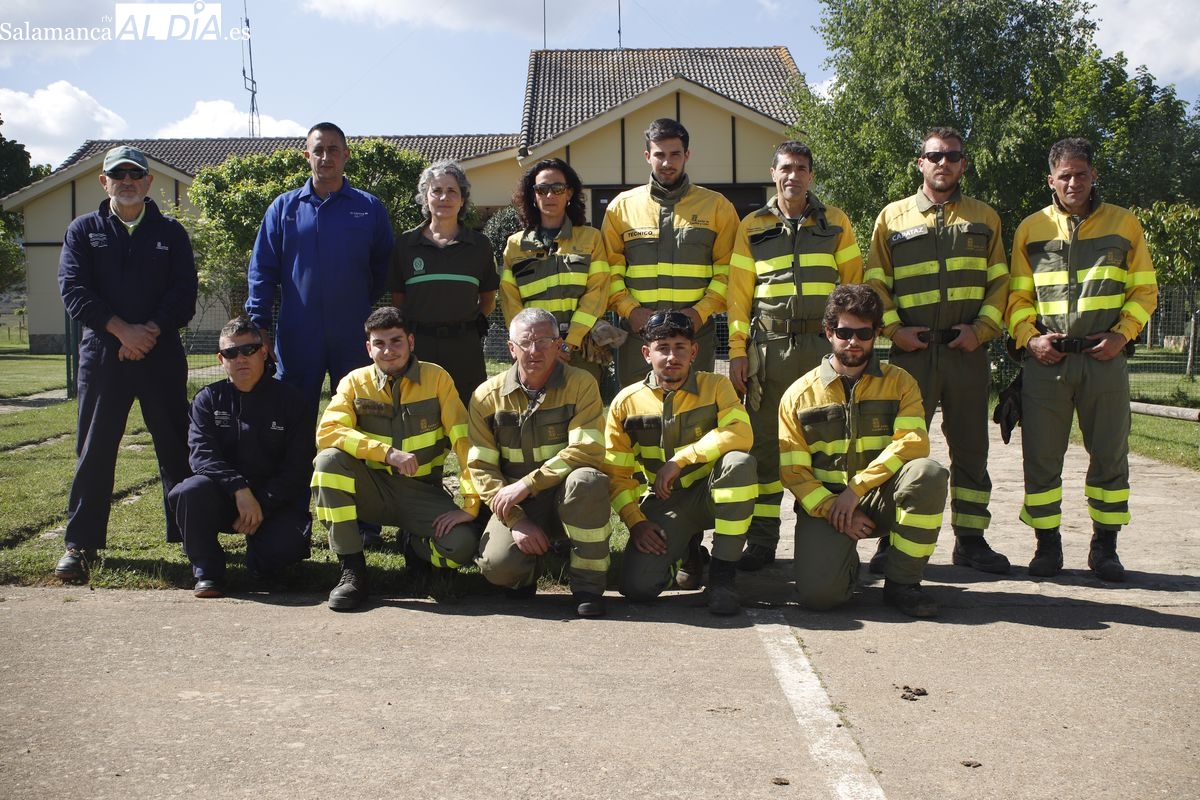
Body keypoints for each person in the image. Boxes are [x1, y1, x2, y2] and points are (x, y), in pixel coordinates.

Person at [1006, 137, 1158, 582]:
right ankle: (1046, 547)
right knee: (1041, 457)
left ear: (1094, 176)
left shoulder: (1124, 224)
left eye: (1081, 174)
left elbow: (1144, 290)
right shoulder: (1030, 228)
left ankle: (1104, 547)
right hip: (1046, 362)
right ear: (1050, 180)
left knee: (1110, 455)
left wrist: (1121, 335)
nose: (1073, 182)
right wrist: (1029, 339)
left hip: (1103, 358)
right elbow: (1016, 296)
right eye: (1064, 175)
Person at [864, 126, 1010, 575]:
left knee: (971, 447)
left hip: (966, 350)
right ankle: (891, 539)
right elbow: (876, 282)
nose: (943, 163)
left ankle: (971, 540)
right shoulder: (892, 216)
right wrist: (892, 330)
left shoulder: (985, 217)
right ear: (920, 163)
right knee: (901, 446)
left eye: (952, 156)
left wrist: (983, 330)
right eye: (934, 156)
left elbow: (1000, 281)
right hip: (911, 353)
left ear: (963, 164)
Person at [54, 145, 197, 582]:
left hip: (161, 354)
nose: (129, 180)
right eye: (120, 174)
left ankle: (193, 541)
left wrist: (148, 330)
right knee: (94, 450)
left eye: (137, 173)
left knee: (175, 447)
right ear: (104, 182)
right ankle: (80, 545)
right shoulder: (83, 230)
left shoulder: (171, 233)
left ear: (149, 182)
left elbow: (183, 294)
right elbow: (73, 290)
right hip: (104, 356)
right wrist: (121, 330)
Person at [726, 140, 863, 573]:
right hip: (768, 350)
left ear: (811, 175)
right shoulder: (751, 225)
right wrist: (736, 352)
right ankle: (763, 541)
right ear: (773, 173)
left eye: (801, 168)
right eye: (786, 168)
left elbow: (854, 289)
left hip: (824, 351)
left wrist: (852, 347)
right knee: (766, 448)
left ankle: (822, 532)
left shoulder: (837, 222)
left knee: (828, 446)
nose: (793, 176)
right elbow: (738, 296)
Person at [779, 284, 949, 617]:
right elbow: (793, 472)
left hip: (878, 495)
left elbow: (913, 441)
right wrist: (832, 506)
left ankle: (903, 583)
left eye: (864, 333)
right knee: (820, 599)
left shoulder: (901, 382)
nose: (853, 341)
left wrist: (856, 490)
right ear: (828, 332)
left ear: (877, 334)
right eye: (844, 332)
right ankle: (843, 561)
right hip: (826, 504)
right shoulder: (798, 395)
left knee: (927, 473)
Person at [311, 307, 480, 611]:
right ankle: (352, 571)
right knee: (328, 463)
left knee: (462, 546)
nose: (388, 351)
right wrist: (386, 453)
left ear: (411, 342)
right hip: (372, 488)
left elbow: (464, 442)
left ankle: (415, 545)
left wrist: (469, 506)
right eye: (379, 343)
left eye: (396, 341)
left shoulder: (437, 378)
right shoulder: (354, 382)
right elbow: (328, 432)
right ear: (368, 347)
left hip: (422, 492)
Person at [603, 310, 757, 615]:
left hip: (712, 494)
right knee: (638, 589)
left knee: (739, 463)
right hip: (666, 500)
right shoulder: (626, 402)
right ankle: (688, 550)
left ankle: (723, 577)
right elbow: (616, 473)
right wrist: (636, 522)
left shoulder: (716, 386)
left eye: (680, 347)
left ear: (694, 351)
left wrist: (681, 459)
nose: (672, 357)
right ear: (647, 353)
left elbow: (742, 433)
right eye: (663, 348)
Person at [469, 308, 612, 618]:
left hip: (568, 494)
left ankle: (588, 585)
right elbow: (482, 468)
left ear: (559, 344)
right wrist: (516, 520)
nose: (535, 351)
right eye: (526, 342)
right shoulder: (486, 396)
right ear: (511, 348)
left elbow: (587, 450)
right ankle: (527, 572)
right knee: (497, 567)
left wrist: (527, 484)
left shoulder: (581, 383)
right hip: (520, 503)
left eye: (545, 341)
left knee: (588, 480)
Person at [246, 121, 395, 412]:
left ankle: (345, 461)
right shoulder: (283, 208)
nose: (326, 157)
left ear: (346, 155)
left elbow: (384, 266)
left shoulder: (369, 208)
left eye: (333, 150)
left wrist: (357, 300)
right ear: (307, 156)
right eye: (318, 150)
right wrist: (259, 324)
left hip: (353, 332)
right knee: (291, 416)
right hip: (297, 334)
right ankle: (297, 461)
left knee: (357, 413)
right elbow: (261, 270)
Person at [168, 317, 314, 598]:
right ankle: (208, 573)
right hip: (225, 496)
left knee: (286, 546)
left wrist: (262, 502)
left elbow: (298, 466)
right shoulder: (208, 399)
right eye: (232, 353)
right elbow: (202, 456)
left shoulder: (291, 401)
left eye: (248, 350)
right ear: (221, 359)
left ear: (263, 352)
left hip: (274, 501)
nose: (240, 358)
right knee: (188, 492)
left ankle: (262, 567)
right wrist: (238, 489)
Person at [602, 118, 739, 384]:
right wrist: (630, 311)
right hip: (638, 336)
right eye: (659, 155)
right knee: (639, 415)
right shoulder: (621, 208)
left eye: (675, 154)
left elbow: (728, 271)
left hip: (695, 335)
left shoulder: (717, 207)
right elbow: (608, 270)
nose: (667, 163)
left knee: (695, 414)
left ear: (687, 155)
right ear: (647, 156)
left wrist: (701, 312)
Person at [390, 160, 499, 408]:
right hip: (419, 345)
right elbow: (399, 301)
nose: (444, 197)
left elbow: (488, 299)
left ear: (462, 200)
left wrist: (464, 325)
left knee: (471, 412)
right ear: (425, 198)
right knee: (418, 413)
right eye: (436, 190)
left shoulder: (480, 245)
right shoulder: (405, 245)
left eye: (452, 191)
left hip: (464, 346)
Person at [499, 158, 611, 383]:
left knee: (582, 415)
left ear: (569, 193)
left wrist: (568, 343)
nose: (550, 196)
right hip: (534, 353)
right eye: (542, 189)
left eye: (557, 188)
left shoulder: (591, 239)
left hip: (579, 352)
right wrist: (537, 345)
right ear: (533, 195)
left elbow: (597, 295)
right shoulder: (514, 245)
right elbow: (511, 303)